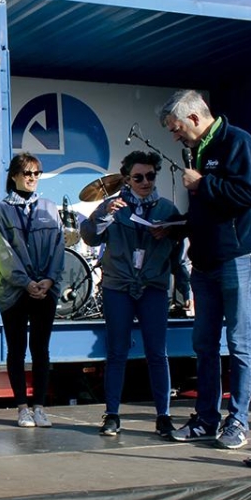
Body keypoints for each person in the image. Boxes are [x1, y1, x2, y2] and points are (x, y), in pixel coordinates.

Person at [160, 89, 251, 449]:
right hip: (206, 260)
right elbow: (207, 211)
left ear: (194, 118)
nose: (174, 136)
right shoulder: (199, 149)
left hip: (241, 255)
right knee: (204, 344)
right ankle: (206, 418)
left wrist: (203, 184)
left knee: (239, 341)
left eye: (176, 128)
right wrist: (177, 227)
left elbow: (248, 195)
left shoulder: (237, 142)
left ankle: (237, 421)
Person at [79, 151, 182, 437]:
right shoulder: (113, 206)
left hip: (153, 288)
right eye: (139, 177)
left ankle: (164, 416)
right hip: (118, 287)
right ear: (127, 179)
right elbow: (88, 236)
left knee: (157, 353)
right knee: (116, 352)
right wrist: (104, 214)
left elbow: (179, 255)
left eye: (150, 176)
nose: (146, 182)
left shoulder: (166, 209)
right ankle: (112, 414)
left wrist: (184, 289)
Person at [0, 153, 64, 427]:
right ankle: (22, 406)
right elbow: (2, 252)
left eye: (36, 173)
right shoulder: (1, 210)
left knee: (41, 349)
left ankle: (40, 406)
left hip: (45, 290)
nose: (32, 178)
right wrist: (25, 282)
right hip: (15, 291)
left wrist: (50, 280)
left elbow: (58, 247)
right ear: (14, 176)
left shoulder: (49, 207)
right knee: (17, 348)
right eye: (27, 173)